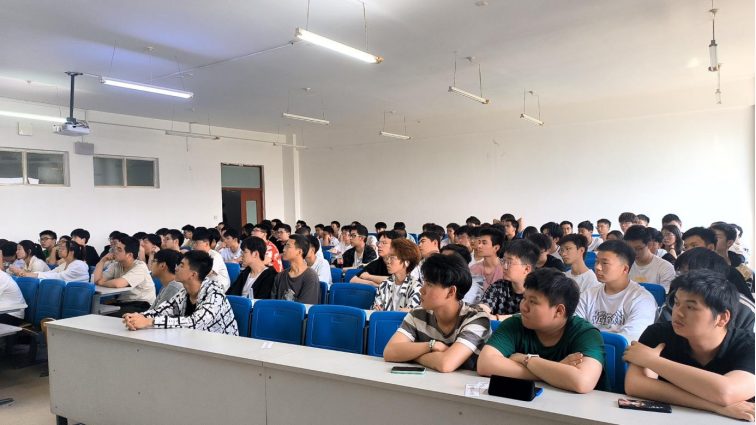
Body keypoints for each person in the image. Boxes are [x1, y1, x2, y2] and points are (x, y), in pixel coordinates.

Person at [624, 270, 755, 421]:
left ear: (722, 318)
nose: (677, 312)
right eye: (677, 303)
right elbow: (634, 385)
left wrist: (651, 361)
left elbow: (726, 392)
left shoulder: (749, 345)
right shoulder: (658, 334)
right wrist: (716, 407)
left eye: (691, 307)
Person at [477, 268, 610, 393]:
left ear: (559, 311)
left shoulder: (585, 334)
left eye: (533, 302)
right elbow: (485, 364)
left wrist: (526, 359)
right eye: (524, 298)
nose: (523, 307)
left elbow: (582, 382)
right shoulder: (515, 324)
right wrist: (555, 370)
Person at [383, 253, 491, 372]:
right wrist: (432, 345)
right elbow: (390, 352)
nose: (421, 290)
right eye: (424, 282)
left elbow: (445, 364)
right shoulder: (417, 314)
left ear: (451, 291)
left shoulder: (476, 318)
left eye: (429, 284)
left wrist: (410, 356)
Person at [123, 251, 238, 336]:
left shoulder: (215, 294)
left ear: (193, 275)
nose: (176, 268)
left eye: (181, 266)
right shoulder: (184, 292)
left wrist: (149, 322)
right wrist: (138, 317)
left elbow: (195, 323)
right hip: (195, 342)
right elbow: (163, 310)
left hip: (221, 348)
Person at [575, 240, 657, 342]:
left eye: (605, 263)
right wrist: (612, 335)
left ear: (625, 269)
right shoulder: (588, 294)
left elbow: (627, 340)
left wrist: (589, 334)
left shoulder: (642, 299)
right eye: (597, 261)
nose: (597, 267)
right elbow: (574, 330)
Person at [657, 248, 755, 331]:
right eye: (680, 272)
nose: (683, 279)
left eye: (689, 274)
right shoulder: (672, 303)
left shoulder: (744, 309)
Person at [682, 227, 753, 301]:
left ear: (711, 248)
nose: (688, 250)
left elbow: (746, 303)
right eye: (686, 247)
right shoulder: (684, 271)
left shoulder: (730, 273)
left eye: (694, 245)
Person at [480, 240, 541, 321]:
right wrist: (482, 311)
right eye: (503, 261)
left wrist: (495, 318)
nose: (504, 267)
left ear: (526, 269)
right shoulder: (498, 286)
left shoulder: (538, 293)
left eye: (509, 262)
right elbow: (483, 308)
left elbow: (528, 317)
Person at [94, 236, 156, 314]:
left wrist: (102, 283)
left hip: (142, 304)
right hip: (124, 303)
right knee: (97, 311)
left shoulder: (140, 266)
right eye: (116, 249)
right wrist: (102, 261)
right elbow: (96, 280)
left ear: (129, 255)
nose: (115, 251)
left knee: (107, 315)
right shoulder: (116, 265)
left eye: (119, 250)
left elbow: (118, 284)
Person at [373, 239, 422, 311]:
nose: (388, 262)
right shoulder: (385, 284)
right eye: (388, 257)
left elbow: (410, 315)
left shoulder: (415, 288)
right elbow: (377, 311)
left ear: (406, 262)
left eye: (392, 257)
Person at [625, 225, 676, 292]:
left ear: (649, 245)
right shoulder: (625, 265)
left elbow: (664, 295)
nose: (634, 253)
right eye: (630, 249)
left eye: (639, 249)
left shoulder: (665, 267)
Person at [271, 235, 320, 303]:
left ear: (299, 252)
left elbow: (305, 306)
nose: (284, 250)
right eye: (285, 246)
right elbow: (272, 303)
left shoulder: (310, 277)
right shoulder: (280, 276)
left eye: (288, 246)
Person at [19, 239, 89, 283]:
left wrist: (34, 275)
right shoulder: (64, 264)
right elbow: (51, 273)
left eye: (63, 248)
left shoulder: (79, 264)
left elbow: (59, 277)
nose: (59, 250)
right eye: (59, 248)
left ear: (71, 252)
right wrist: (31, 274)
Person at [711, 222, 753, 292]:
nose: (711, 240)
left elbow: (746, 296)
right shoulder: (700, 265)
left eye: (717, 237)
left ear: (729, 242)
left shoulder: (744, 271)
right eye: (709, 237)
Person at [470, 228, 505, 293]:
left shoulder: (505, 268)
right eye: (479, 242)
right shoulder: (474, 269)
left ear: (496, 248)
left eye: (484, 243)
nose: (479, 246)